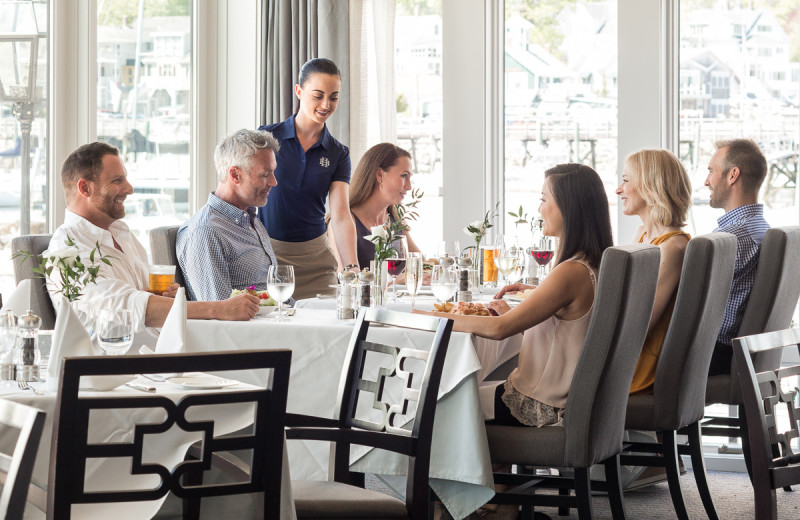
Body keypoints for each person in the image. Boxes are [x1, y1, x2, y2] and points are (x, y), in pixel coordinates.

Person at [418, 163, 613, 428]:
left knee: (434, 402)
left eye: (544, 200)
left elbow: (499, 329)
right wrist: (534, 299)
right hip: (565, 396)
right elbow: (566, 328)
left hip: (541, 403)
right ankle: (492, 466)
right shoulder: (596, 263)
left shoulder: (571, 271)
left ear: (568, 207)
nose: (539, 209)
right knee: (468, 389)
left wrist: (430, 316)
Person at [48, 142, 260, 348]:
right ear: (85, 188)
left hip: (161, 356)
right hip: (114, 369)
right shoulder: (65, 250)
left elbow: (144, 301)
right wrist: (219, 309)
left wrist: (166, 298)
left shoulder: (123, 235)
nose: (129, 188)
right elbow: (124, 307)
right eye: (117, 180)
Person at [257, 58, 359, 299]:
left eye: (333, 97)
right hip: (270, 257)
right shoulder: (266, 137)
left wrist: (352, 268)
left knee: (326, 330)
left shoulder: (338, 153)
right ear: (299, 91)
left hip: (317, 260)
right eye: (318, 95)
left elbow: (341, 215)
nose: (326, 104)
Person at [616, 149, 691, 395]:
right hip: (633, 353)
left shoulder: (673, 247)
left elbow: (641, 323)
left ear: (650, 187)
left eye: (626, 180)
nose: (619, 189)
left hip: (640, 366)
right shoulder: (643, 234)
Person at [177, 129, 280, 301]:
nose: (273, 182)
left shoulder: (250, 220)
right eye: (265, 174)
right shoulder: (206, 232)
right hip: (254, 327)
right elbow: (219, 313)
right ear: (235, 175)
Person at [705, 139, 769, 376]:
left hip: (715, 355)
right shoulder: (761, 229)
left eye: (711, 171)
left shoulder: (730, 239)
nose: (706, 181)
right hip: (738, 352)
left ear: (732, 175)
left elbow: (693, 308)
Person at [329, 142, 422, 270]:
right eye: (404, 176)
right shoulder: (343, 222)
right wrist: (396, 280)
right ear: (379, 175)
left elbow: (421, 264)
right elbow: (347, 279)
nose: (409, 186)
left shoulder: (395, 219)